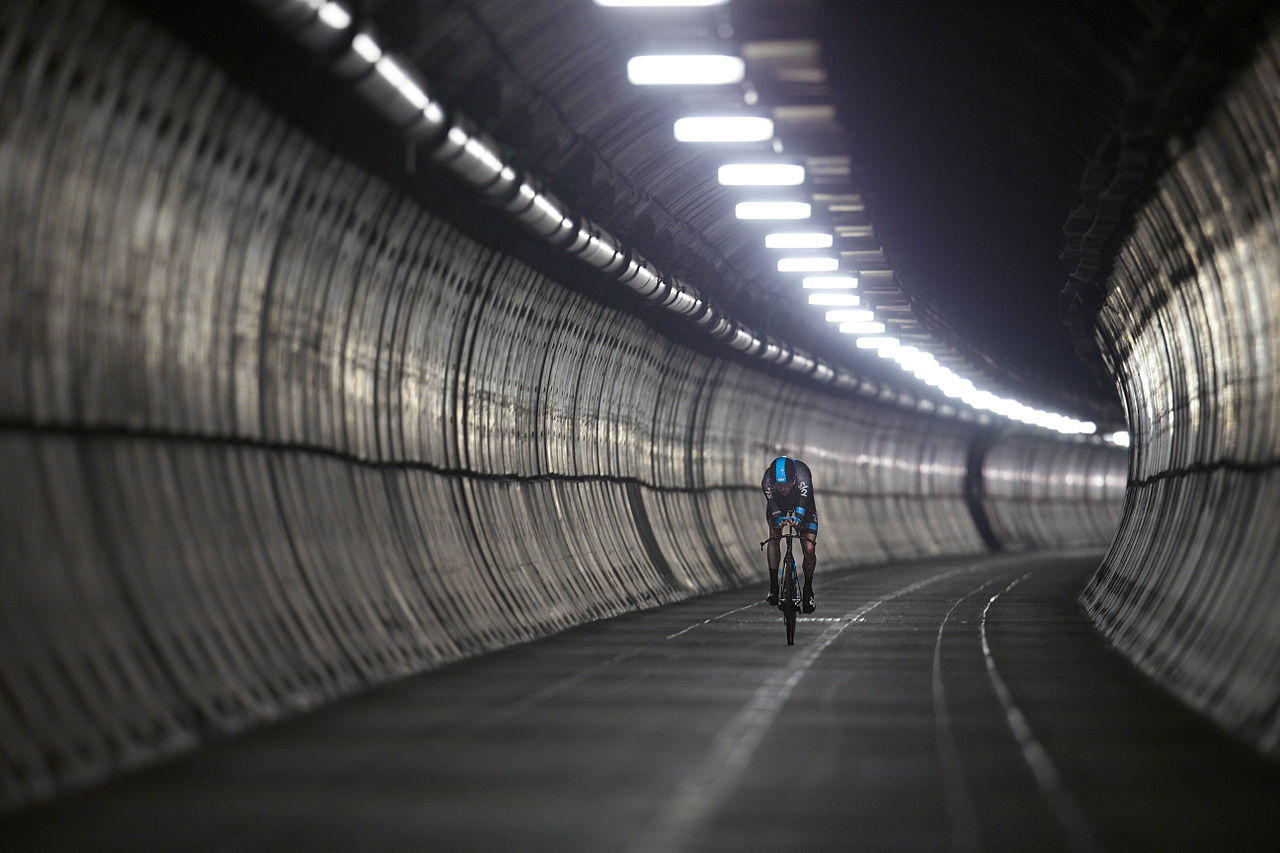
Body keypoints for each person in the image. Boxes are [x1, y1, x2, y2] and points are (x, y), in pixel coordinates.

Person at [761, 455, 817, 613]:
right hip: (778, 503)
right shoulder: (767, 482)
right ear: (773, 482)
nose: (783, 488)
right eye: (779, 485)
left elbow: (804, 502)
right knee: (774, 537)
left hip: (802, 502)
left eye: (786, 484)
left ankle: (808, 590)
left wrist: (798, 517)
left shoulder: (803, 477)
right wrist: (778, 517)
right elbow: (772, 504)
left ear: (794, 480)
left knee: (809, 548)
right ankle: (773, 586)